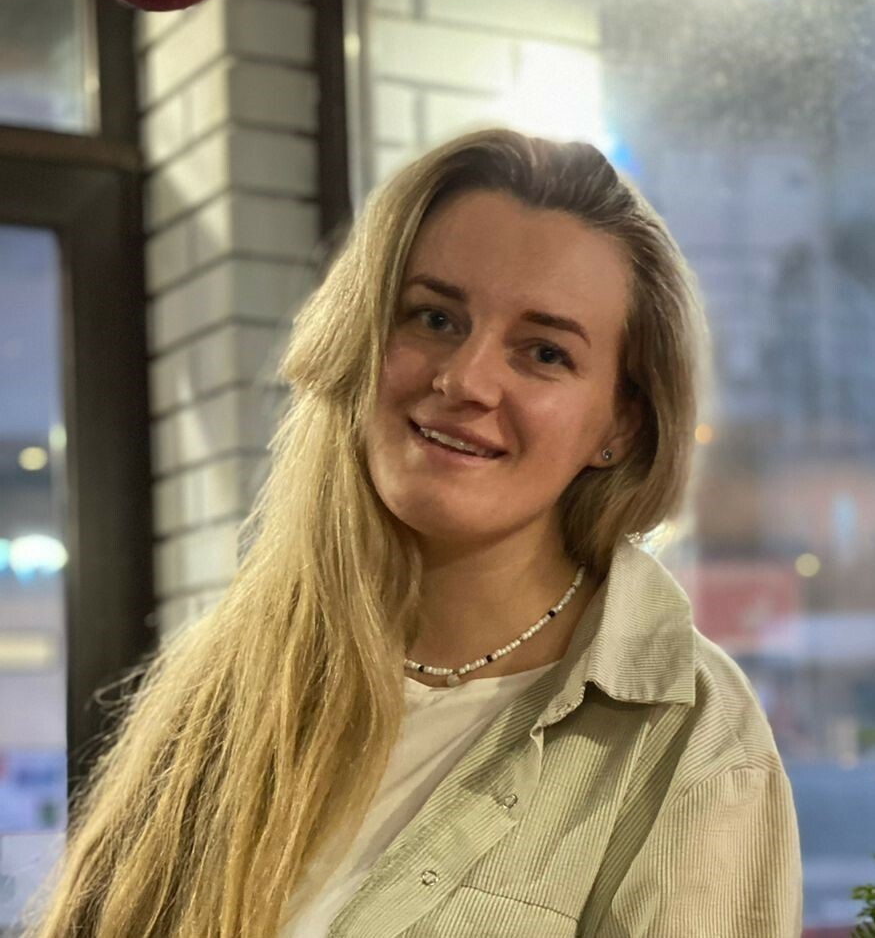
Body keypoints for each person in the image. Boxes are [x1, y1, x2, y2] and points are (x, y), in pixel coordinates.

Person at [25, 129, 802, 937]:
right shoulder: (228, 678)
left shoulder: (685, 738)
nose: (464, 379)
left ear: (620, 424)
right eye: (434, 317)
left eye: (543, 352)